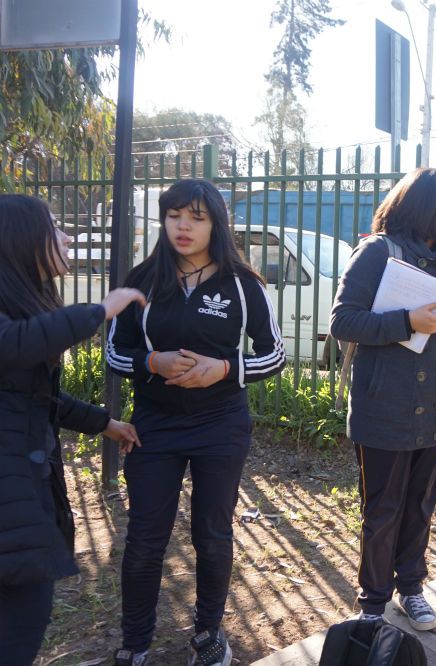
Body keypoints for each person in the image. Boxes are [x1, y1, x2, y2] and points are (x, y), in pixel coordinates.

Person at [106, 179, 285, 666]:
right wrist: (152, 363)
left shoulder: (244, 284)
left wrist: (225, 369)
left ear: (216, 224)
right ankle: (135, 642)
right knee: (145, 539)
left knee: (212, 533)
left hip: (220, 425)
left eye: (197, 217)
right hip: (155, 426)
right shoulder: (141, 280)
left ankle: (208, 634)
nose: (183, 226)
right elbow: (113, 351)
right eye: (174, 215)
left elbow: (274, 355)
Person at [330, 167, 436, 630]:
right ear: (420, 205)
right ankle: (373, 603)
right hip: (385, 407)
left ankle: (411, 588)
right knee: (382, 510)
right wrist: (407, 322)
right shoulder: (378, 251)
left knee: (421, 504)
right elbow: (343, 322)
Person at [0, 194, 144, 666]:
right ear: (21, 240)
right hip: (10, 494)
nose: (68, 236)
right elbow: (12, 345)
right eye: (55, 226)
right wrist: (99, 311)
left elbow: (35, 398)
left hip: (22, 490)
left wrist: (106, 423)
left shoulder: (21, 303)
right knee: (21, 623)